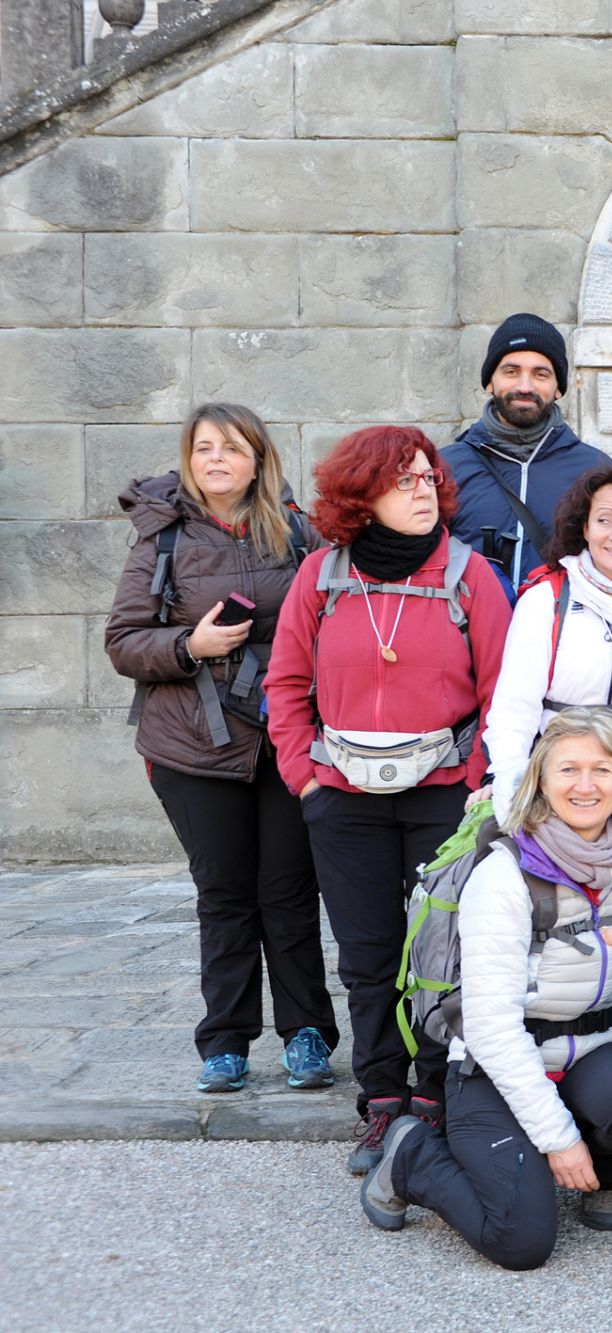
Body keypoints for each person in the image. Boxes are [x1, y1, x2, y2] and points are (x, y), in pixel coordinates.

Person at [359, 710, 612, 1268]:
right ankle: (413, 1156)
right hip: (496, 1069)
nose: (585, 785)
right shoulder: (505, 875)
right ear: (541, 780)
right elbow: (492, 1031)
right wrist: (560, 1139)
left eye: (603, 769)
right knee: (521, 1242)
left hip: (590, 1053)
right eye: (568, 769)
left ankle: (585, 1173)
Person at [266, 426, 511, 1173]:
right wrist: (304, 779)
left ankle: (435, 1097)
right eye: (401, 478)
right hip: (343, 799)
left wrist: (475, 783)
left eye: (427, 476)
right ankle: (380, 1100)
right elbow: (284, 684)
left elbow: (504, 691)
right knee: (369, 957)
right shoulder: (320, 576)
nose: (420, 488)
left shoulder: (472, 577)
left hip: (442, 796)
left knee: (438, 954)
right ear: (360, 494)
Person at [105, 404, 340, 1095]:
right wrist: (189, 645)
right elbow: (122, 641)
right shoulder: (162, 538)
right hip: (191, 744)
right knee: (225, 892)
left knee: (289, 890)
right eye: (203, 449)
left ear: (258, 459)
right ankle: (226, 1041)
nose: (215, 460)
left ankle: (306, 1033)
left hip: (282, 736)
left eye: (231, 449)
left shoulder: (297, 531)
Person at [477, 461, 612, 1056]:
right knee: (555, 931)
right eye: (604, 521)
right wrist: (512, 799)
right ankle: (539, 1056)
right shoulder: (548, 598)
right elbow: (514, 708)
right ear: (584, 527)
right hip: (556, 793)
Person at [441, 313, 612, 593]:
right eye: (511, 371)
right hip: (469, 631)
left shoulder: (595, 469)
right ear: (489, 383)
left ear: (558, 389)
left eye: (540, 374)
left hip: (558, 631)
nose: (525, 386)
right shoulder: (446, 466)